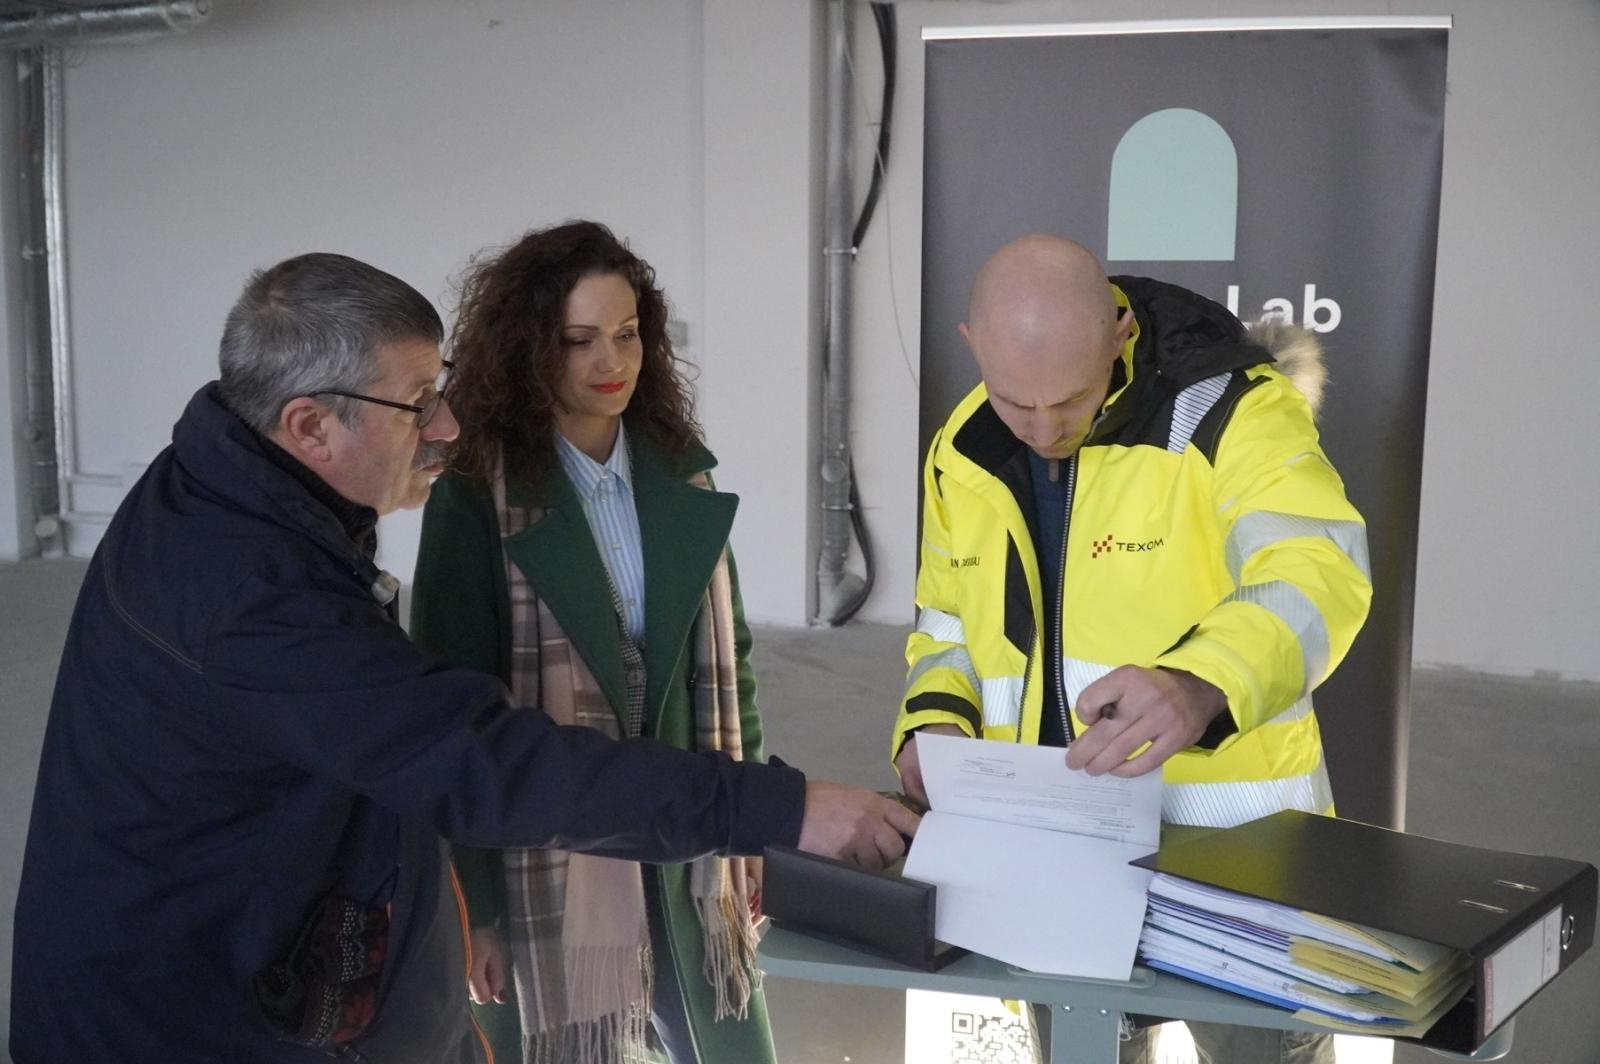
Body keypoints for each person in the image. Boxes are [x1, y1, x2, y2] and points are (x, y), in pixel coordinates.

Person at [9, 252, 919, 1064]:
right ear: (308, 426)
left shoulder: (223, 485)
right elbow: (482, 759)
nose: (444, 423)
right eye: (415, 404)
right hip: (190, 1020)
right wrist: (780, 807)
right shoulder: (255, 601)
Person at [890, 235, 1372, 1064]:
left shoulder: (1231, 408)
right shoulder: (961, 446)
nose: (1045, 429)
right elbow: (946, 624)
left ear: (1118, 330)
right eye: (1016, 401)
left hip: (1240, 864)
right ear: (973, 347)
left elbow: (1319, 565)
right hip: (1056, 860)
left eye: (1071, 399)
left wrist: (1198, 681)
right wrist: (932, 726)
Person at [409, 220, 781, 1064]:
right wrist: (479, 908)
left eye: (626, 334)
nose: (611, 362)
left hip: (690, 830)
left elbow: (735, 661)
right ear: (527, 348)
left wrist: (751, 818)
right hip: (552, 848)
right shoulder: (476, 496)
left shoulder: (682, 468)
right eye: (578, 341)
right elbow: (451, 716)